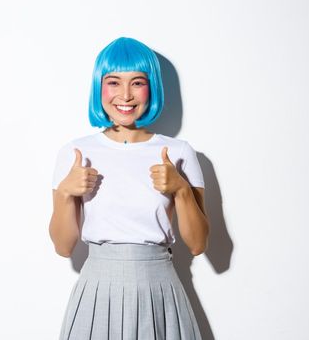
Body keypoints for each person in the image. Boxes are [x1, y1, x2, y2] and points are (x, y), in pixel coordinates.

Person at [49, 37, 209, 340]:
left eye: (137, 82)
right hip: (97, 291)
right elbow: (63, 247)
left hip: (159, 288)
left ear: (152, 88)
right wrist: (64, 193)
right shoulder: (75, 152)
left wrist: (182, 190)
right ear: (99, 87)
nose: (125, 95)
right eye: (113, 82)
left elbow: (199, 244)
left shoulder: (179, 152)